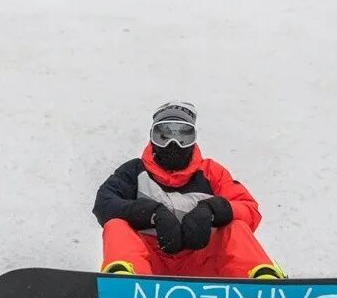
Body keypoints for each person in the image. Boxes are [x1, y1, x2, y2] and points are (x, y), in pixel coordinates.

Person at [92, 101, 284, 279]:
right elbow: (104, 204)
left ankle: (261, 282)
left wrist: (214, 210)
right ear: (152, 138)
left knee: (237, 226)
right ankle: (124, 280)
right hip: (148, 266)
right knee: (116, 225)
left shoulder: (211, 172)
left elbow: (249, 208)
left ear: (194, 139)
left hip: (203, 264)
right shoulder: (134, 171)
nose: (173, 144)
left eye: (184, 135)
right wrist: (149, 213)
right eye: (163, 136)